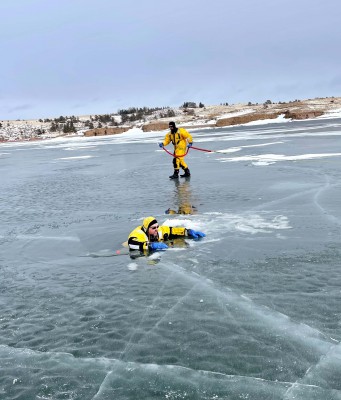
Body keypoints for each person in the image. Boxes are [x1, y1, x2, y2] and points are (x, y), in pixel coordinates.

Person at [128, 216, 205, 254]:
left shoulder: (160, 230)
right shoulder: (138, 234)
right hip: (134, 245)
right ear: (146, 229)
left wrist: (188, 231)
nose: (156, 229)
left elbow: (172, 231)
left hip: (152, 242)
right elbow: (132, 243)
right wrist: (151, 246)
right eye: (153, 228)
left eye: (157, 227)